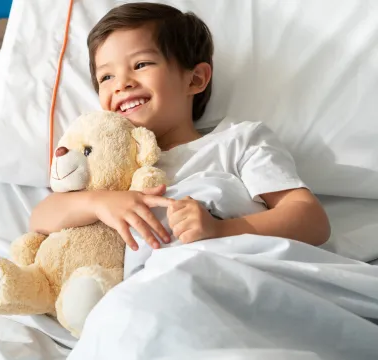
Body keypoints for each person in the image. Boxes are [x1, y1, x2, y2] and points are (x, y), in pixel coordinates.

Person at [29, 2, 330, 253]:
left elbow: (312, 221)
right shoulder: (105, 166)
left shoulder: (238, 142)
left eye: (141, 64)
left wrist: (220, 230)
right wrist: (99, 203)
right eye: (106, 77)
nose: (122, 84)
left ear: (195, 79)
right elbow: (41, 218)